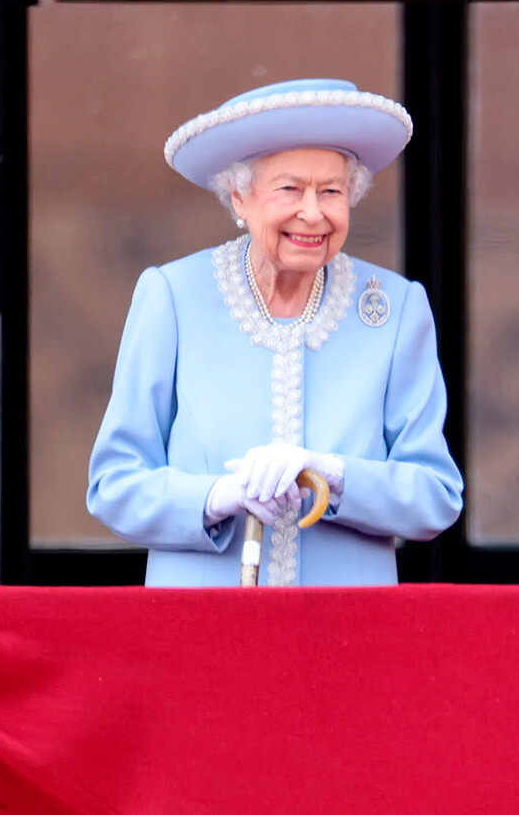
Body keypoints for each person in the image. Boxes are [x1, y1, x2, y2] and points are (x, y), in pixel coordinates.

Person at [87, 78, 463, 587]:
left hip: (349, 634)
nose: (313, 213)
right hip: (200, 632)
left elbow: (435, 496)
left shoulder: (395, 309)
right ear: (239, 197)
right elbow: (114, 485)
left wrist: (331, 473)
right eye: (290, 189)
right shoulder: (172, 296)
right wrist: (217, 497)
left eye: (331, 191)